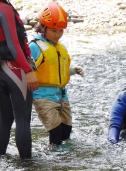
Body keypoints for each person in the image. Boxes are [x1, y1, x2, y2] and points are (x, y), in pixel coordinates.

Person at [0, 0, 39, 159]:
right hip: (15, 69)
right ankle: (27, 168)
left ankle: (0, 159)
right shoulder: (4, 9)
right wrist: (28, 70)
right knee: (23, 119)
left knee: (5, 118)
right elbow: (14, 45)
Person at [29, 1, 84, 146]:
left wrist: (73, 70)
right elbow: (26, 69)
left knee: (67, 129)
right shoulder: (35, 47)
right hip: (43, 96)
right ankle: (56, 160)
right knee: (55, 131)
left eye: (60, 31)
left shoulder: (60, 47)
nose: (57, 35)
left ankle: (64, 158)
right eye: (54, 31)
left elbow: (59, 70)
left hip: (61, 95)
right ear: (42, 27)